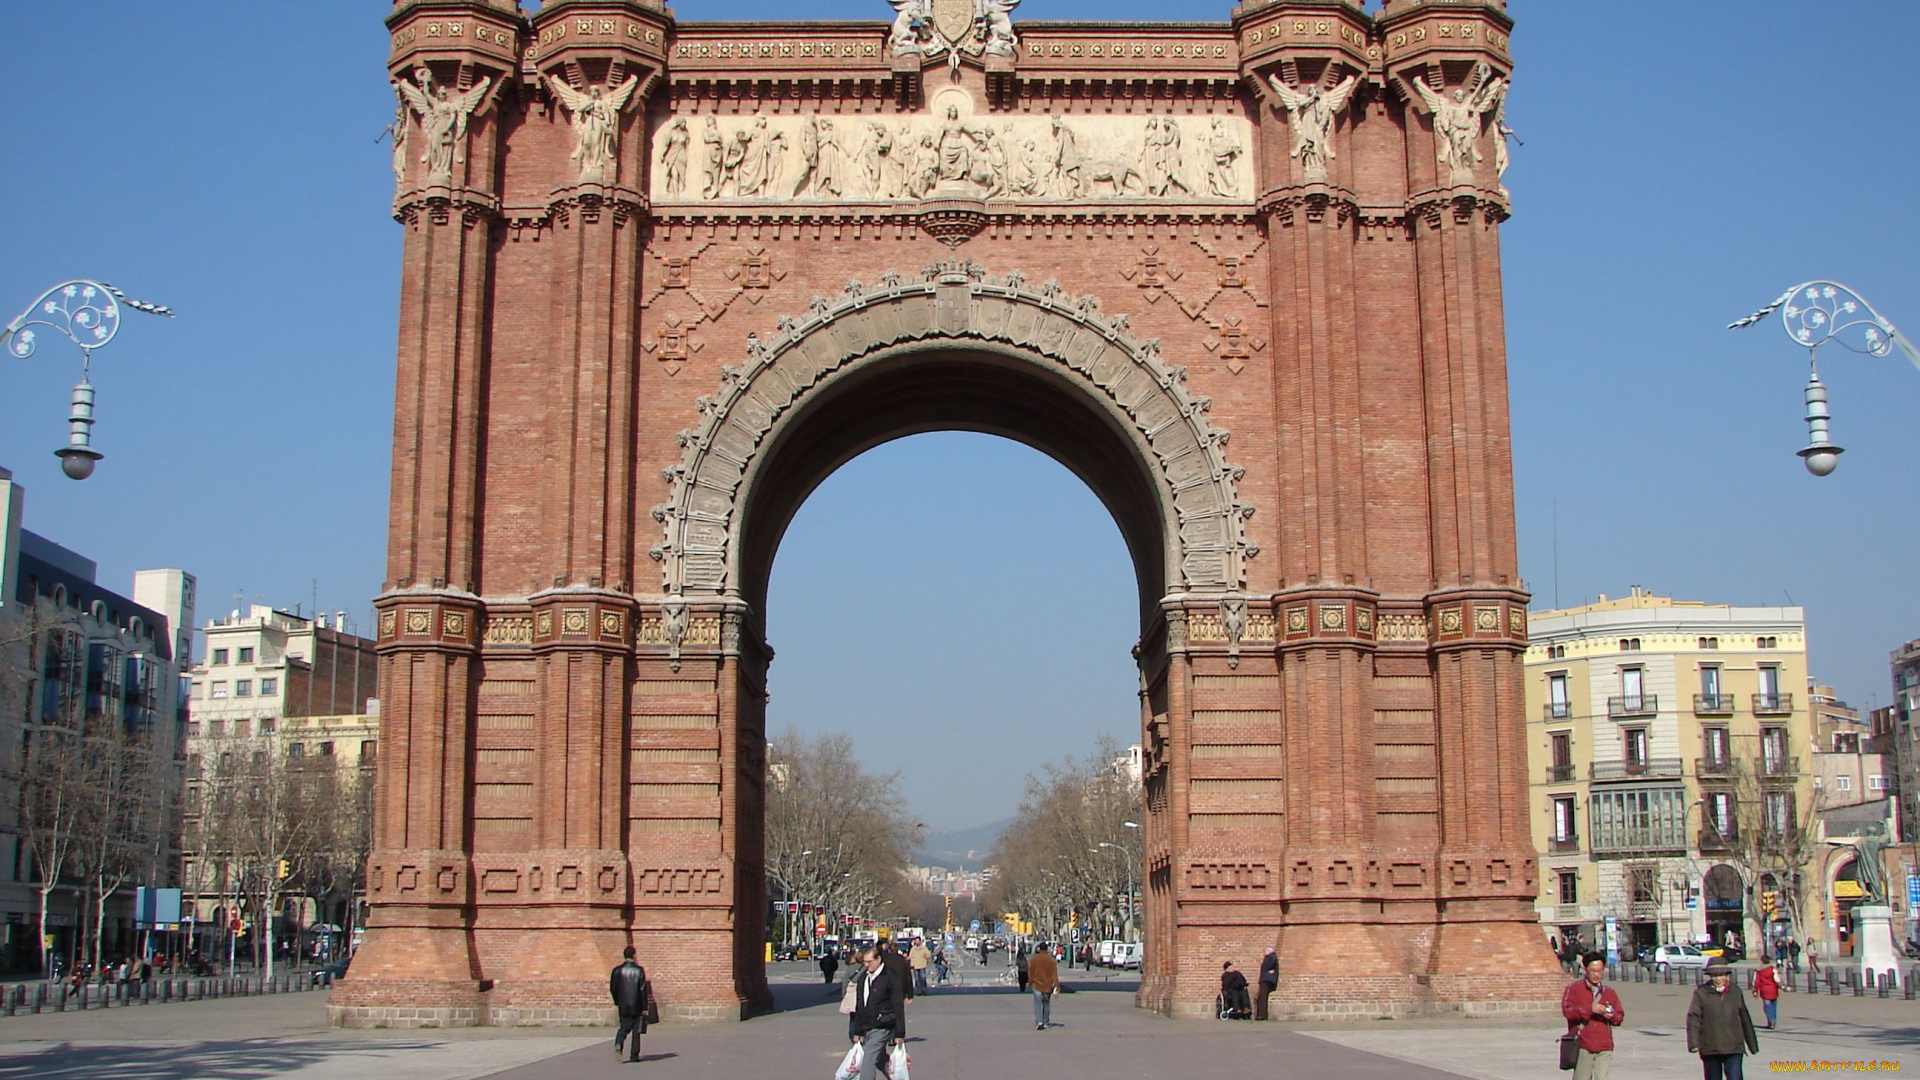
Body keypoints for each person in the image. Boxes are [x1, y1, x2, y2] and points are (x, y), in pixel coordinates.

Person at [1688, 959, 1759, 1080]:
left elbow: (1744, 1018)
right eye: (1715, 975)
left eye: (1721, 975)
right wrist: (1693, 1043)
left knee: (1735, 1077)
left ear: (1726, 975)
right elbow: (1693, 1018)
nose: (1718, 979)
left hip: (1733, 1046)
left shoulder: (1735, 991)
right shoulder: (1701, 992)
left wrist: (1752, 1044)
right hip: (1710, 1047)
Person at [1562, 952, 1625, 1080]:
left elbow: (1619, 1017)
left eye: (1600, 971)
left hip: (1604, 1045)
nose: (1597, 975)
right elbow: (1567, 1011)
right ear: (1585, 970)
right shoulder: (1574, 989)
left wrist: (1611, 1015)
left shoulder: (1609, 992)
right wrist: (1589, 1009)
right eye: (1593, 971)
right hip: (1583, 1044)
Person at [849, 946, 905, 1080]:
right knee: (879, 1059)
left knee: (868, 1059)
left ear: (878, 959)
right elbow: (860, 1005)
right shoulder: (863, 978)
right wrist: (857, 1031)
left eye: (869, 962)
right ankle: (897, 1076)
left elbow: (898, 1006)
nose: (866, 965)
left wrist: (900, 1033)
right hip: (867, 1026)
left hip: (883, 1026)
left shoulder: (890, 977)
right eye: (864, 962)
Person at [608, 945, 649, 1063]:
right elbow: (642, 989)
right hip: (637, 1005)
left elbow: (613, 988)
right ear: (634, 955)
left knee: (624, 1027)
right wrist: (645, 1006)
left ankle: (618, 1044)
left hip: (623, 1004)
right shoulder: (639, 970)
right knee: (636, 1031)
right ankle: (634, 1055)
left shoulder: (617, 970)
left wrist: (617, 1001)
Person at [1027, 939, 1060, 1030]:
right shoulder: (1051, 960)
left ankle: (1039, 1021)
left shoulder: (1033, 959)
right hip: (1047, 985)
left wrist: (1030, 982)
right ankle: (1046, 1022)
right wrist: (1057, 986)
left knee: (1037, 1003)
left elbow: (1031, 972)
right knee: (1046, 1003)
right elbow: (1054, 974)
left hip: (1036, 984)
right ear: (1047, 949)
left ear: (1039, 949)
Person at [1751, 959, 1783, 1030]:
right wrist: (1782, 986)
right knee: (1773, 1006)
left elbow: (1756, 981)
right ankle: (1773, 1020)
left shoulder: (1758, 971)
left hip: (1764, 991)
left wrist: (1755, 990)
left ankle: (1770, 1020)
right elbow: (1777, 979)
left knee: (1767, 1007)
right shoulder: (1772, 969)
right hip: (1773, 990)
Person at [1256, 947, 1279, 1021]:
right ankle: (1260, 1014)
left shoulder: (1271, 957)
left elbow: (1266, 967)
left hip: (1267, 980)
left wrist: (1266, 970)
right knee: (1260, 998)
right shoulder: (1271, 957)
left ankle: (1262, 1015)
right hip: (1266, 979)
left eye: (1265, 951)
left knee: (1262, 998)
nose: (1264, 953)